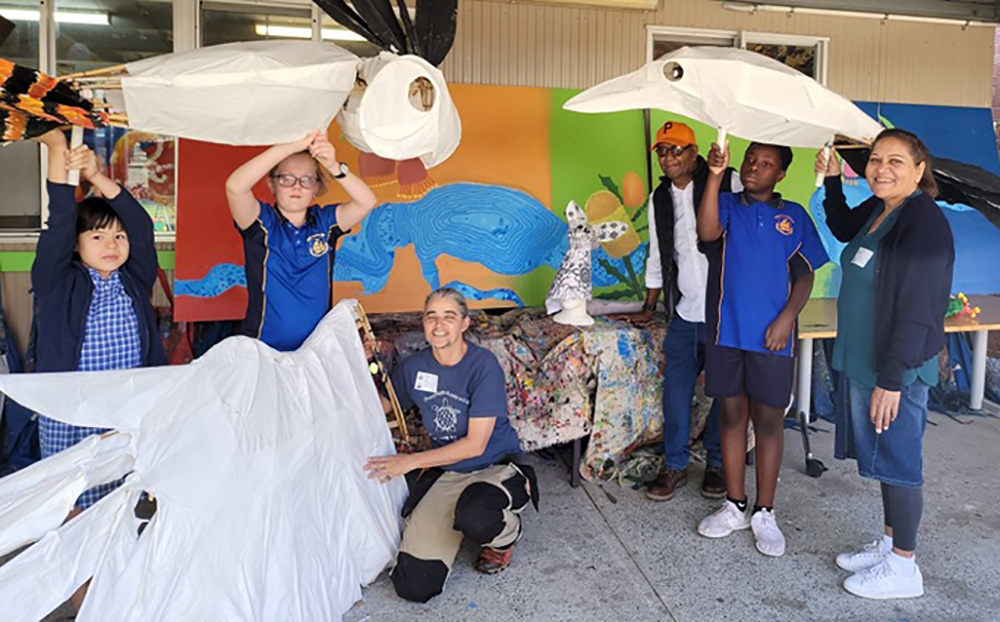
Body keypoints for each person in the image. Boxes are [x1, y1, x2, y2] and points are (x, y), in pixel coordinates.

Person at [816, 129, 953, 599]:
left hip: (896, 368)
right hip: (864, 358)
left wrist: (892, 379)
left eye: (896, 161)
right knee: (881, 457)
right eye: (875, 160)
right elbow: (840, 226)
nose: (882, 169)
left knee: (898, 462)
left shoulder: (923, 224)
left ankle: (904, 569)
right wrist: (833, 179)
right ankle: (892, 543)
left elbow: (919, 310)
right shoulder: (881, 210)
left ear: (919, 170)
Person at [32, 128, 165, 609]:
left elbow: (141, 224)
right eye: (97, 235)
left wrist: (95, 175)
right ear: (76, 245)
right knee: (73, 503)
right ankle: (83, 600)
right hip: (71, 417)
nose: (112, 242)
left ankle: (119, 589)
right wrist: (55, 154)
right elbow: (58, 220)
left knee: (123, 499)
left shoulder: (135, 278)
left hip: (126, 414)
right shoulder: (56, 282)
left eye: (117, 236)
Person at [695, 141, 829, 558]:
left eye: (766, 163)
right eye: (751, 160)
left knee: (769, 424)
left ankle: (764, 512)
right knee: (732, 417)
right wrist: (715, 174)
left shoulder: (794, 217)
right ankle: (735, 505)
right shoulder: (726, 204)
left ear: (781, 174)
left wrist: (788, 317)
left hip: (773, 336)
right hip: (726, 332)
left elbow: (804, 274)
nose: (755, 167)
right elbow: (706, 232)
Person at [365, 288, 535, 603]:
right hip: (449, 473)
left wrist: (411, 461)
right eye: (432, 316)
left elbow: (475, 444)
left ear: (464, 324)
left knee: (475, 512)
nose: (439, 325)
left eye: (449, 316)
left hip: (494, 465)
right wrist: (355, 367)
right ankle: (457, 521)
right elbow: (382, 406)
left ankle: (504, 537)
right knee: (413, 586)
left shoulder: (483, 366)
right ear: (424, 322)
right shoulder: (414, 368)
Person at [642, 120, 742, 502]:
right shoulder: (658, 198)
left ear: (694, 152)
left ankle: (716, 462)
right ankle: (675, 465)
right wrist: (651, 306)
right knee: (676, 392)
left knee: (724, 391)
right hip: (684, 311)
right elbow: (657, 255)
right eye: (662, 152)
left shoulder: (727, 181)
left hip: (725, 311)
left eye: (676, 150)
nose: (668, 158)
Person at [225, 129, 378, 351]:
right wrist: (288, 147)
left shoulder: (325, 223)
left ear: (315, 187)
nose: (297, 186)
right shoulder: (262, 223)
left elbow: (366, 201)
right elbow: (235, 187)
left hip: (316, 353)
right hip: (263, 349)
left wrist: (334, 165)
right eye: (286, 179)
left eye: (306, 180)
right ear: (272, 184)